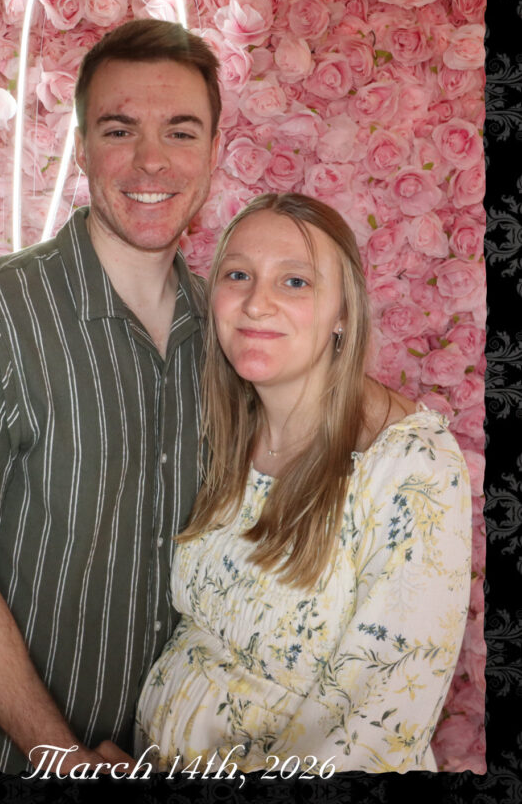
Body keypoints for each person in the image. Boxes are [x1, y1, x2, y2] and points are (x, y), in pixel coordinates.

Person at [0, 18, 221, 774]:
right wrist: (62, 758)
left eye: (181, 131)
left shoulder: (227, 332)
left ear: (213, 151)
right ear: (83, 145)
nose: (151, 159)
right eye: (119, 129)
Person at [136, 192, 472, 774]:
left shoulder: (411, 463)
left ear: (343, 312)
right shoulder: (225, 431)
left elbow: (376, 727)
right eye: (238, 275)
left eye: (295, 282)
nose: (256, 303)